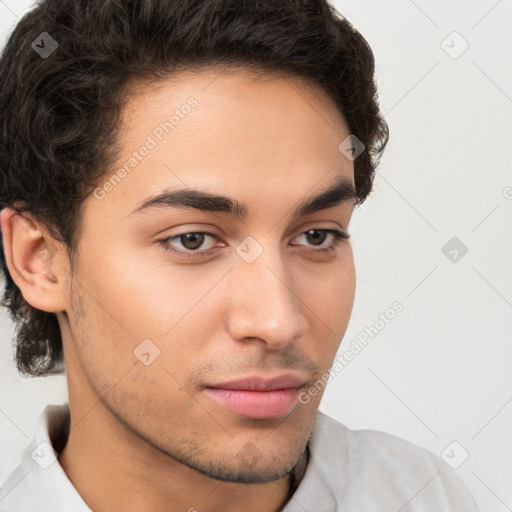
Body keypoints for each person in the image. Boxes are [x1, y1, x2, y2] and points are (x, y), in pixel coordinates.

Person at [0, 1, 479, 511]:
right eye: (192, 240)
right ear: (40, 259)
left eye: (317, 235)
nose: (278, 321)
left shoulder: (422, 494)